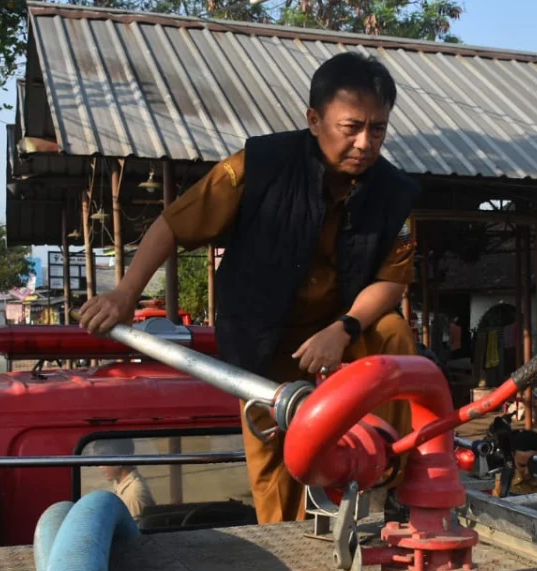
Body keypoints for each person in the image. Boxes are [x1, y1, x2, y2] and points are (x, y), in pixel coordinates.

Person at [78, 52, 420, 524]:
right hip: (264, 345)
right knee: (278, 478)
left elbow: (389, 281)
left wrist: (342, 329)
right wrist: (125, 293)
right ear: (314, 119)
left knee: (395, 337)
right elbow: (173, 225)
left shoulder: (395, 193)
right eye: (352, 127)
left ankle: (389, 481)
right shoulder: (258, 167)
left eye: (378, 129)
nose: (365, 143)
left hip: (341, 338)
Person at [94, 438, 156, 519]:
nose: (100, 467)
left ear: (120, 459)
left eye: (104, 461)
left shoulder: (133, 495)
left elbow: (135, 530)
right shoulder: (119, 483)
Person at [492, 429, 537, 497]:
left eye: (532, 465)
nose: (527, 472)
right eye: (522, 465)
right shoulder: (503, 481)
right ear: (513, 456)